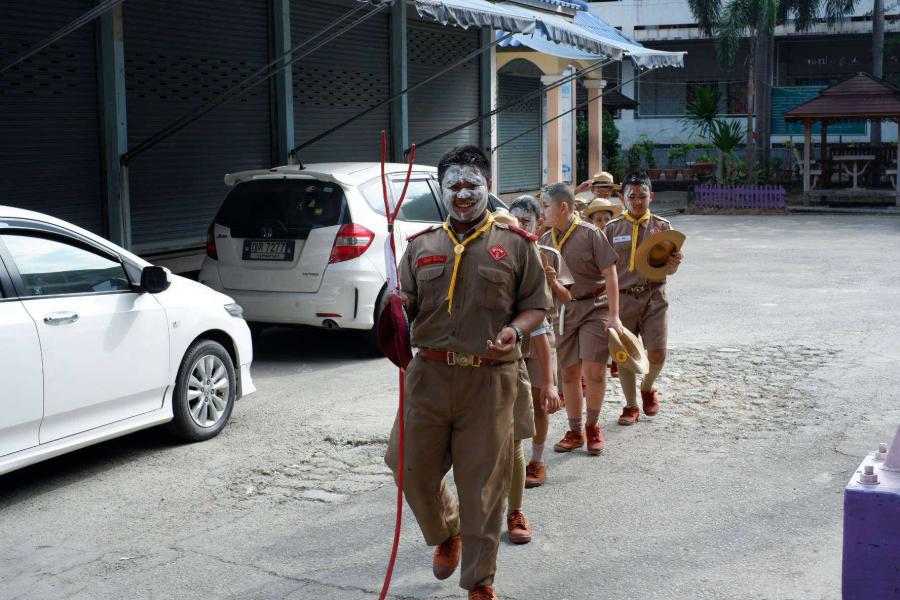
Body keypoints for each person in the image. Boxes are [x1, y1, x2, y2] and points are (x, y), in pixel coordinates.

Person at [384, 146, 552, 600]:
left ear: (488, 187)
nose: (462, 194)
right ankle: (446, 531)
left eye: (471, 185)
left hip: (490, 381)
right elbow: (404, 305)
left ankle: (480, 581)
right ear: (442, 191)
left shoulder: (516, 244)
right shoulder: (421, 246)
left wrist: (516, 331)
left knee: (483, 488)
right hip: (429, 376)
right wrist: (396, 308)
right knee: (406, 466)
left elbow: (537, 305)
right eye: (453, 185)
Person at [490, 209, 561, 545]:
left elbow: (542, 334)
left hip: (512, 368)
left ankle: (515, 511)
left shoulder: (524, 276)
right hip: (471, 372)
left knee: (515, 441)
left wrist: (549, 383)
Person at [539, 183, 623, 456]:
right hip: (563, 312)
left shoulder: (591, 234)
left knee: (594, 371)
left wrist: (614, 316)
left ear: (563, 207)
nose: (542, 212)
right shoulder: (545, 240)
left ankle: (593, 425)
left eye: (546, 206)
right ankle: (575, 430)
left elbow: (610, 274)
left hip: (595, 307)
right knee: (569, 373)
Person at [603, 171, 683, 426]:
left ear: (652, 196)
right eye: (632, 196)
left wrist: (674, 265)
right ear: (623, 198)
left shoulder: (663, 228)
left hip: (654, 296)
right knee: (624, 355)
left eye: (643, 196)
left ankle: (647, 387)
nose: (638, 201)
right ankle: (630, 405)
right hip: (623, 298)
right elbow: (603, 268)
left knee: (658, 353)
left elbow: (669, 269)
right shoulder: (611, 229)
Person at [508, 196, 572, 489]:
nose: (519, 226)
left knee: (539, 401)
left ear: (540, 224)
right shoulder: (498, 252)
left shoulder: (549, 254)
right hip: (508, 335)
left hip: (541, 337)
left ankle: (536, 459)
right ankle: (508, 458)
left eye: (525, 221)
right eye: (514, 220)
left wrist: (553, 281)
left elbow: (568, 298)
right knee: (505, 401)